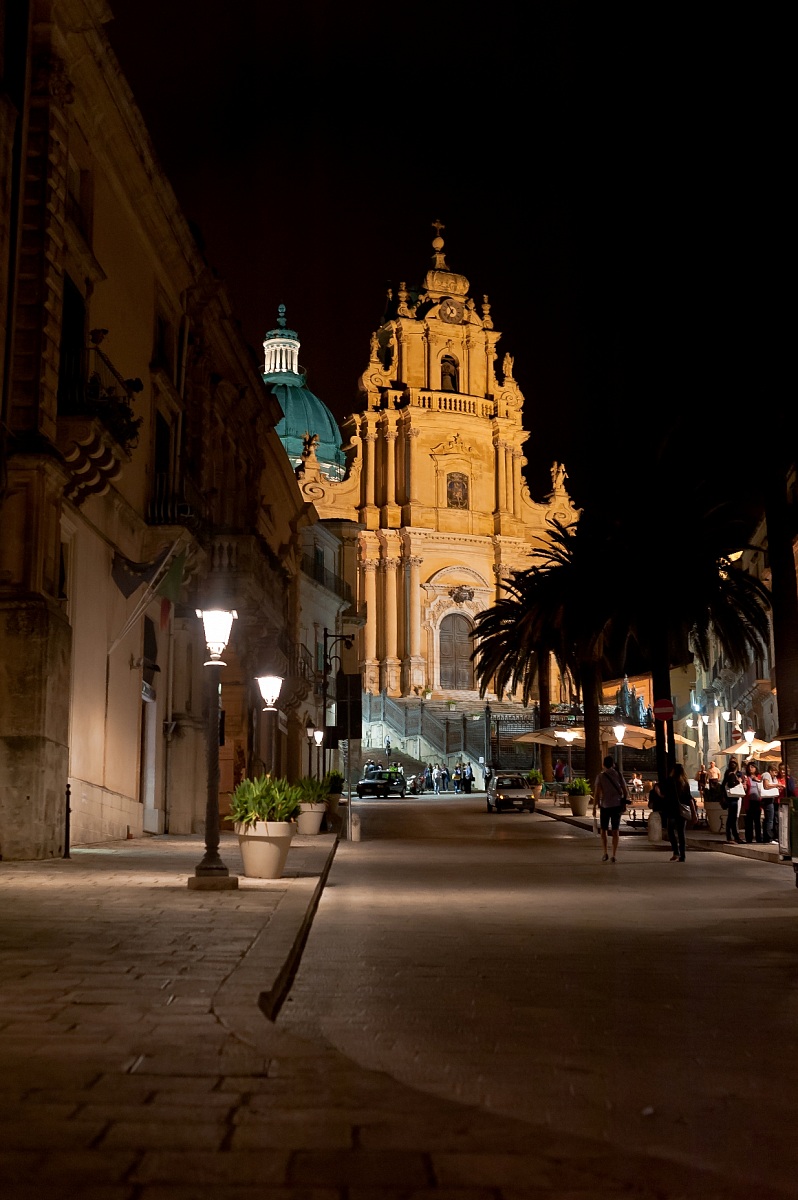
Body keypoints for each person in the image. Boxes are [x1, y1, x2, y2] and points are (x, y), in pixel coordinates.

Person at [592, 755, 629, 863]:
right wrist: (624, 804)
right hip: (617, 805)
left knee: (604, 830)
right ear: (613, 764)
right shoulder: (618, 774)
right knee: (615, 830)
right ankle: (614, 854)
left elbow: (597, 793)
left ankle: (605, 852)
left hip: (605, 805)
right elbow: (625, 791)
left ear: (603, 764)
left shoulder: (600, 776)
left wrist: (595, 806)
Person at [662, 763, 697, 861]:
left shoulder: (670, 781)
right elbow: (690, 799)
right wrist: (694, 813)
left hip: (672, 810)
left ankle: (676, 852)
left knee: (671, 831)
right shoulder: (685, 783)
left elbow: (664, 794)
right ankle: (683, 855)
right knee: (681, 833)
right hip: (682, 810)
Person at [721, 757, 744, 844]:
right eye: (732, 762)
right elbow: (730, 784)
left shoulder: (734, 773)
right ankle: (731, 837)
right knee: (732, 818)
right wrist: (738, 782)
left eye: (734, 762)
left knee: (732, 818)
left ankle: (734, 836)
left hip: (734, 798)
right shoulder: (730, 774)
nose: (733, 764)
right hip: (732, 798)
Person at [742, 760, 764, 843]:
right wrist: (744, 784)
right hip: (750, 801)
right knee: (749, 821)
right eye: (749, 767)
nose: (751, 769)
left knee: (757, 821)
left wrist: (757, 780)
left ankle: (758, 837)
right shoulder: (746, 778)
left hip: (758, 801)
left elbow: (763, 786)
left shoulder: (759, 777)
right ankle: (749, 838)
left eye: (752, 767)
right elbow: (745, 789)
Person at [760, 764, 779, 844]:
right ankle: (769, 838)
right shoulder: (767, 775)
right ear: (771, 771)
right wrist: (777, 785)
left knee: (769, 819)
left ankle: (766, 837)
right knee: (769, 819)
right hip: (767, 799)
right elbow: (766, 785)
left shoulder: (772, 777)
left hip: (770, 799)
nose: (776, 774)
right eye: (775, 772)